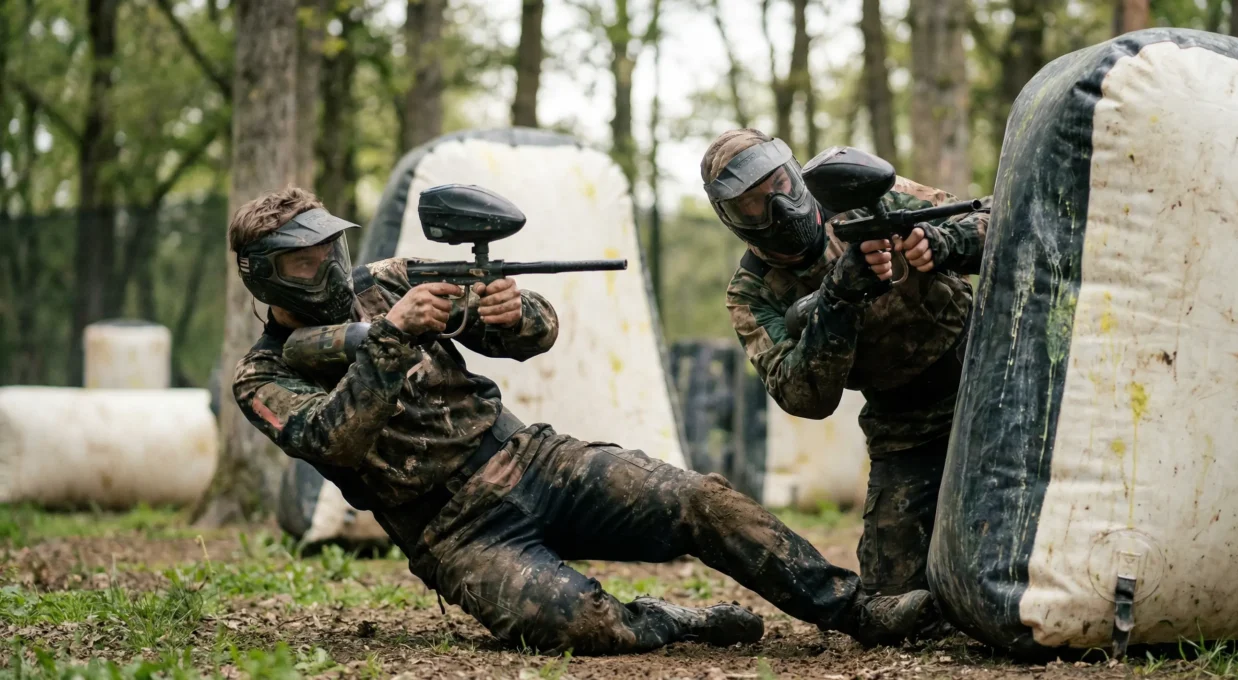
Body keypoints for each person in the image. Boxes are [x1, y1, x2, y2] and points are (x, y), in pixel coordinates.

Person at [228, 186, 941, 656]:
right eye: (303, 261)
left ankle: (855, 609)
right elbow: (333, 441)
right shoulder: (261, 378)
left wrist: (516, 314)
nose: (327, 269)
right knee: (582, 626)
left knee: (703, 500)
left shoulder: (387, 280)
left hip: (535, 461)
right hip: (453, 532)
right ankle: (673, 621)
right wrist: (391, 339)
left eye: (330, 250)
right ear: (264, 275)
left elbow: (537, 331)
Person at [702, 129, 989, 618]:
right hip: (904, 430)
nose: (774, 208)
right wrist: (839, 299)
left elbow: (1000, 222)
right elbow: (804, 398)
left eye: (778, 187)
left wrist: (945, 242)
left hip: (985, 382)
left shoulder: (862, 199)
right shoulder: (752, 293)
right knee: (891, 600)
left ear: (796, 176)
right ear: (732, 219)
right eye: (751, 204)